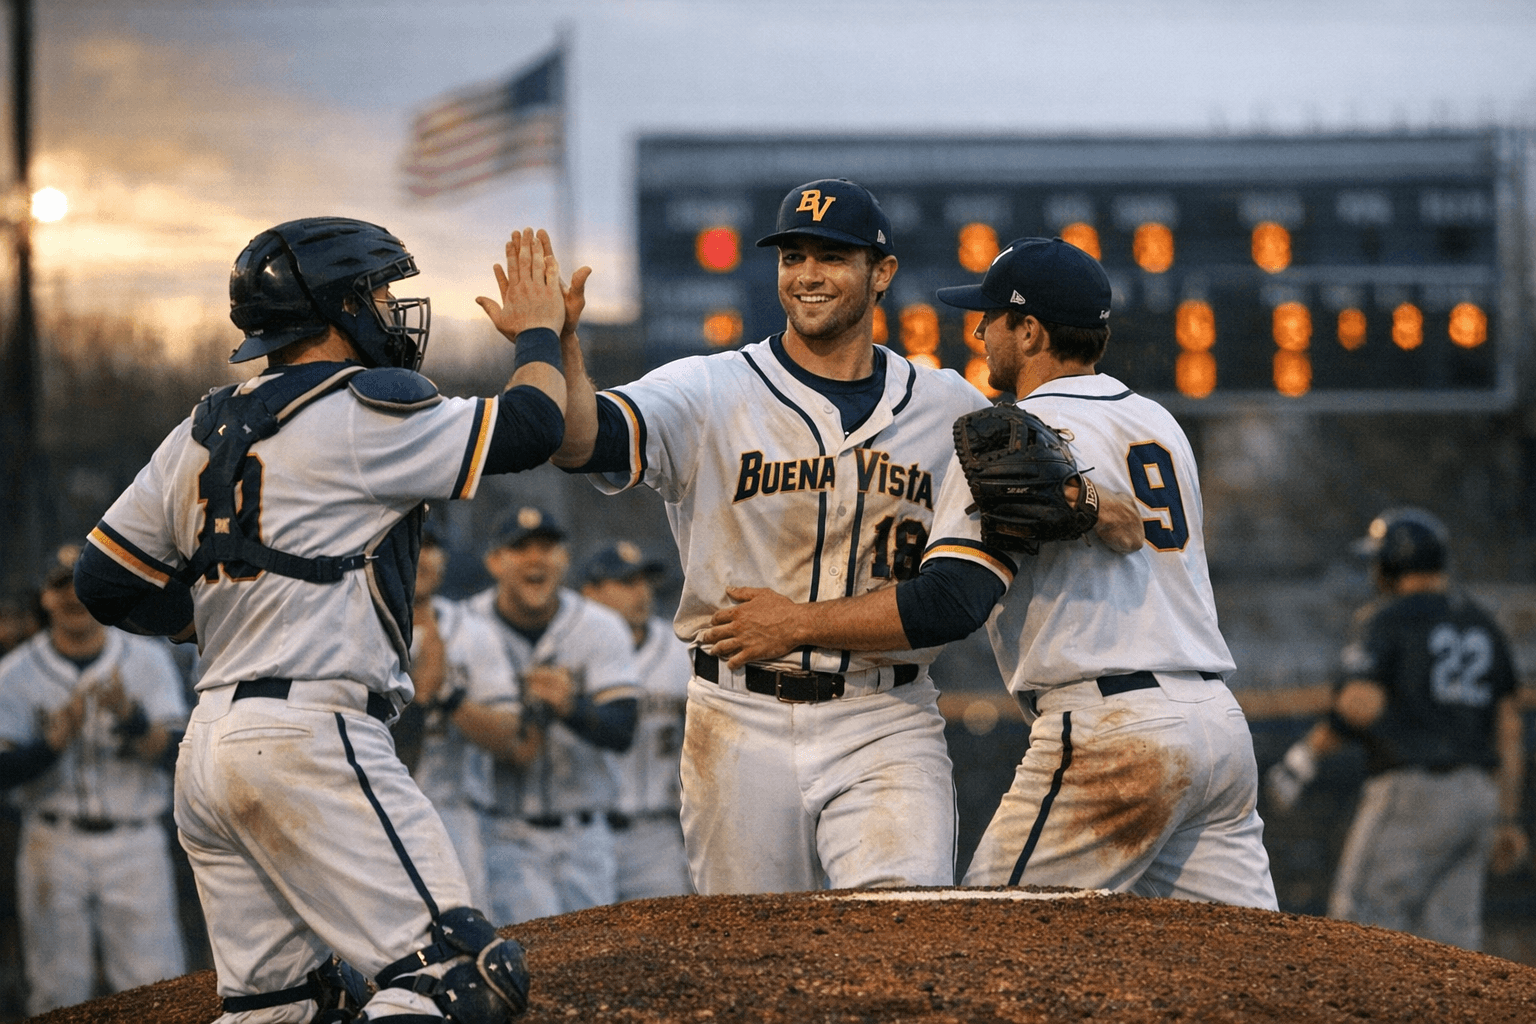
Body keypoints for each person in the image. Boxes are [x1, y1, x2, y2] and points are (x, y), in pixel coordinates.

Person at [72, 219, 587, 1023]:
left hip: (209, 750)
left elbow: (103, 580)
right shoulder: (361, 407)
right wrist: (541, 333)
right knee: (457, 984)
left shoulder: (201, 427)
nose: (391, 309)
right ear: (340, 307)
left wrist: (217, 616)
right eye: (379, 294)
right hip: (310, 738)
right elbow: (534, 426)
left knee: (276, 1007)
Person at [705, 236, 1279, 909]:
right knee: (1244, 965)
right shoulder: (1157, 421)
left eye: (991, 318)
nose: (978, 331)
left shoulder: (1021, 432)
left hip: (1113, 734)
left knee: (985, 939)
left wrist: (796, 624)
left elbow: (951, 602)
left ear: (1029, 330)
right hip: (1217, 728)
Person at [552, 178, 991, 894]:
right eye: (793, 257)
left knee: (903, 933)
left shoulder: (949, 406)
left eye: (832, 257)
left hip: (886, 712)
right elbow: (583, 441)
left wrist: (1096, 499)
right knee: (751, 959)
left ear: (882, 274)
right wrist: (560, 345)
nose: (807, 275)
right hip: (738, 715)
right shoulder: (709, 388)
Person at [1265, 507, 1527, 949]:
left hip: (1414, 793)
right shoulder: (1482, 622)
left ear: (1394, 563)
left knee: (1359, 928)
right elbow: (1509, 730)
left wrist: (1307, 754)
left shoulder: (1388, 618)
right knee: (1452, 949)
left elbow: (1358, 704)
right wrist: (1506, 816)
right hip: (1479, 797)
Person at [0, 546, 188, 1015]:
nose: (72, 597)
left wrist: (133, 721)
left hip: (135, 842)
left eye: (80, 584)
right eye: (60, 586)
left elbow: (180, 755)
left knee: (156, 985)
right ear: (45, 598)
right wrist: (49, 747)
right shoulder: (14, 673)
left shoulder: (146, 659)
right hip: (51, 842)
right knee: (57, 992)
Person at [465, 508, 640, 925]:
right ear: (494, 562)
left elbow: (623, 729)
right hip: (502, 831)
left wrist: (570, 706)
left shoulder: (600, 627)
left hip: (586, 836)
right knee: (532, 963)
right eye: (518, 548)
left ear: (564, 559)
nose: (535, 559)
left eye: (547, 547)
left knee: (596, 964)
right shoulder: (465, 625)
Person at [404, 531, 532, 912]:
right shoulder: (353, 623)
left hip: (454, 811)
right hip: (362, 811)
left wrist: (446, 696)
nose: (421, 556)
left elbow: (510, 736)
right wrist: (419, 696)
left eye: (431, 544)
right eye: (410, 540)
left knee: (465, 929)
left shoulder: (473, 631)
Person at [578, 540, 692, 901]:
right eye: (626, 583)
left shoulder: (681, 651)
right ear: (590, 592)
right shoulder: (569, 648)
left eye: (645, 581)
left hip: (656, 833)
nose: (641, 592)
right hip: (583, 828)